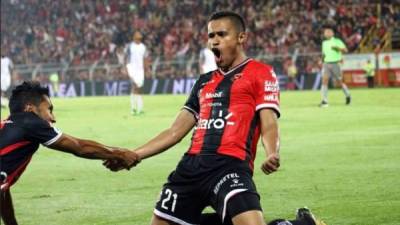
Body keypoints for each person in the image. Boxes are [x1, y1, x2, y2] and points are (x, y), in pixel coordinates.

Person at [105, 11, 326, 225]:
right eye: (211, 36)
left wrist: (272, 153)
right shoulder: (203, 81)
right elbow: (174, 132)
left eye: (222, 34)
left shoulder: (261, 72)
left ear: (241, 37)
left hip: (230, 166)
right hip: (190, 168)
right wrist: (135, 154)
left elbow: (268, 122)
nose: (215, 41)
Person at [0, 81, 140, 225]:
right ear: (30, 109)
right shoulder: (29, 122)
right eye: (49, 110)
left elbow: (3, 188)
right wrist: (119, 153)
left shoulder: (10, 128)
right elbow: (79, 147)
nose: (53, 118)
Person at [319, 25, 351, 107]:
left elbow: (346, 50)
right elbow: (323, 54)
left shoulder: (337, 41)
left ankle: (347, 95)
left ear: (332, 33)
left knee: (339, 82)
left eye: (328, 32)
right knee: (324, 81)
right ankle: (324, 101)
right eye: (325, 32)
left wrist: (337, 48)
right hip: (326, 64)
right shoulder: (324, 43)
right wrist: (321, 61)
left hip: (336, 63)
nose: (327, 33)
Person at [125, 31, 149, 115]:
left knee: (139, 89)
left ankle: (140, 108)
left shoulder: (143, 47)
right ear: (134, 37)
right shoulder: (130, 46)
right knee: (134, 87)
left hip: (140, 70)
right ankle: (133, 109)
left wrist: (147, 69)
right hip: (132, 68)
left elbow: (145, 58)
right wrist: (126, 68)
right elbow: (126, 58)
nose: (139, 36)